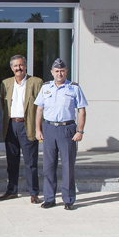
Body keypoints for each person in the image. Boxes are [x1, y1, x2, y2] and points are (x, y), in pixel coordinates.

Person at [35, 58, 87, 210]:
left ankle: (68, 199)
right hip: (49, 128)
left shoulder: (74, 88)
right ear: (52, 72)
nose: (60, 73)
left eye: (62, 71)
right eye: (57, 71)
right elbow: (39, 110)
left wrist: (80, 131)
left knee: (68, 166)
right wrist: (38, 130)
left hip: (67, 129)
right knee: (48, 166)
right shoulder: (46, 88)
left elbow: (82, 110)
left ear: (66, 72)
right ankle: (49, 198)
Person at [0, 55, 43, 204]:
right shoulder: (6, 83)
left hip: (27, 125)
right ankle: (12, 190)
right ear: (12, 68)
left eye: (21, 65)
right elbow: (2, 105)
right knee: (11, 161)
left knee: (31, 161)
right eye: (16, 66)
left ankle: (34, 192)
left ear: (26, 66)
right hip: (11, 125)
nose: (19, 68)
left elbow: (42, 106)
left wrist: (39, 128)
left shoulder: (36, 82)